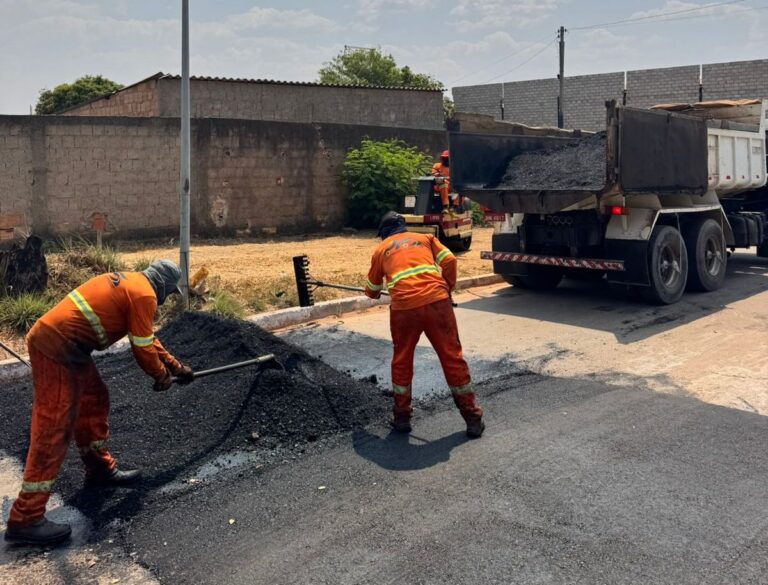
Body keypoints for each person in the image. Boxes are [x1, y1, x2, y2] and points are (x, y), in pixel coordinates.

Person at [4, 260, 194, 546]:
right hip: (56, 345)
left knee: (94, 399)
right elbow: (142, 348)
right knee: (54, 425)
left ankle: (99, 469)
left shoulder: (133, 284)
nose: (168, 298)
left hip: (70, 346)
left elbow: (147, 339)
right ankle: (26, 518)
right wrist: (160, 376)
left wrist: (175, 366)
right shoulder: (145, 295)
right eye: (170, 292)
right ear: (165, 285)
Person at [365, 212, 484, 438]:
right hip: (437, 303)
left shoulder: (381, 250)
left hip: (404, 310)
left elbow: (372, 290)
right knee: (452, 357)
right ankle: (473, 419)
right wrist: (446, 287)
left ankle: (401, 418)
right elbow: (449, 260)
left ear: (385, 234)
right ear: (402, 227)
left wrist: (375, 289)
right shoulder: (425, 239)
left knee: (402, 360)